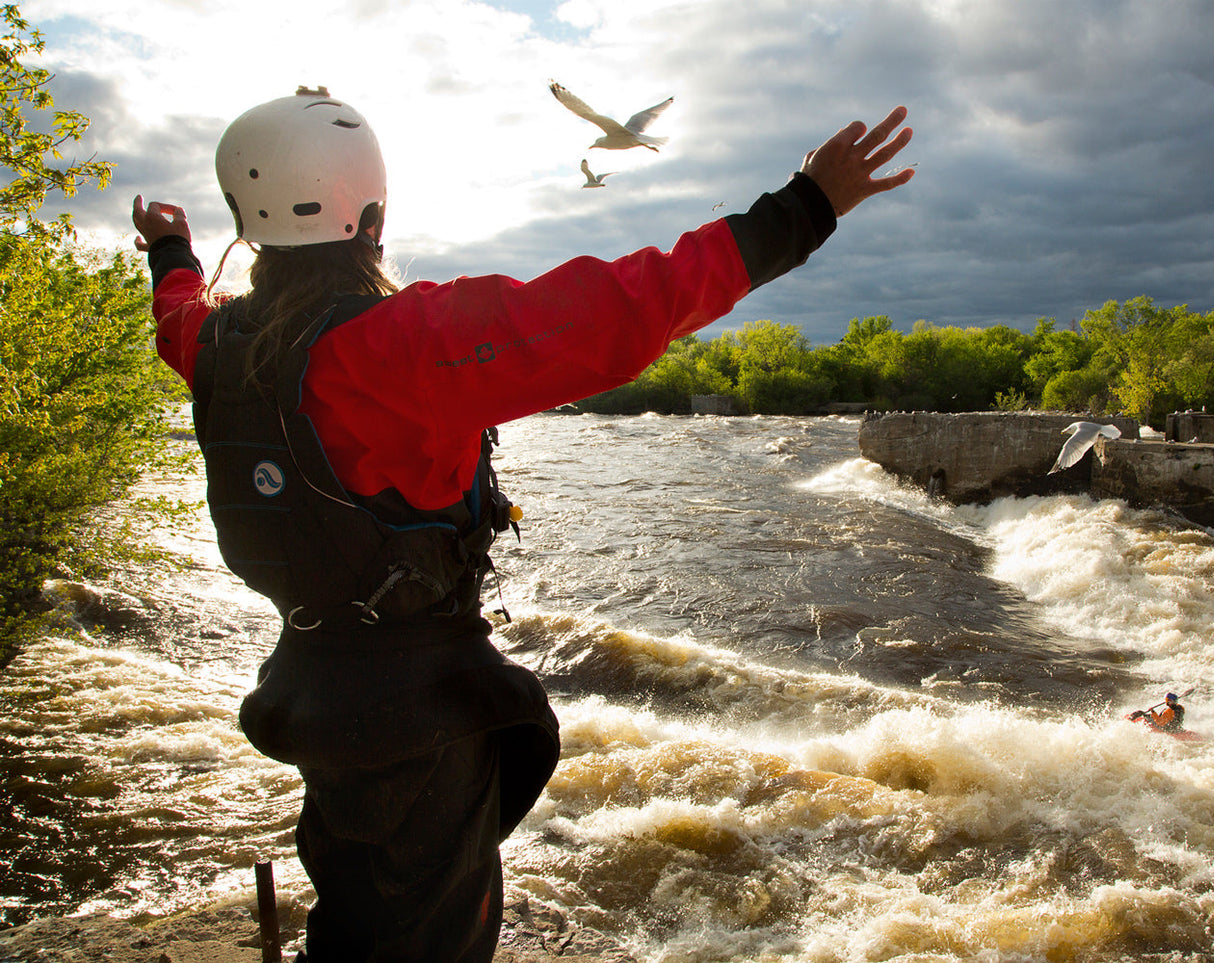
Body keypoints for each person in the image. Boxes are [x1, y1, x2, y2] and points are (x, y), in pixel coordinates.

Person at [131, 85, 914, 963]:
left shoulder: (215, 346)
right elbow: (631, 304)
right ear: (371, 211)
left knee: (357, 907)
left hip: (310, 690)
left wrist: (170, 248)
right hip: (418, 713)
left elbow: (175, 313)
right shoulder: (408, 341)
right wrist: (805, 207)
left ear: (250, 215)